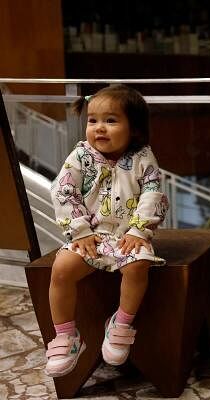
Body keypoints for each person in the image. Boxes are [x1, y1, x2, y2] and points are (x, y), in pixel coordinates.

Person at [44, 84, 169, 377]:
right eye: (93, 120)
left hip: (129, 236)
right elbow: (63, 192)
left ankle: (121, 323)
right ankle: (66, 335)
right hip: (90, 236)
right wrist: (80, 231)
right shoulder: (80, 157)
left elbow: (153, 194)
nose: (99, 128)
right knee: (61, 269)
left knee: (138, 266)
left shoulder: (143, 159)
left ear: (134, 129)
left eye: (111, 120)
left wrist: (139, 231)